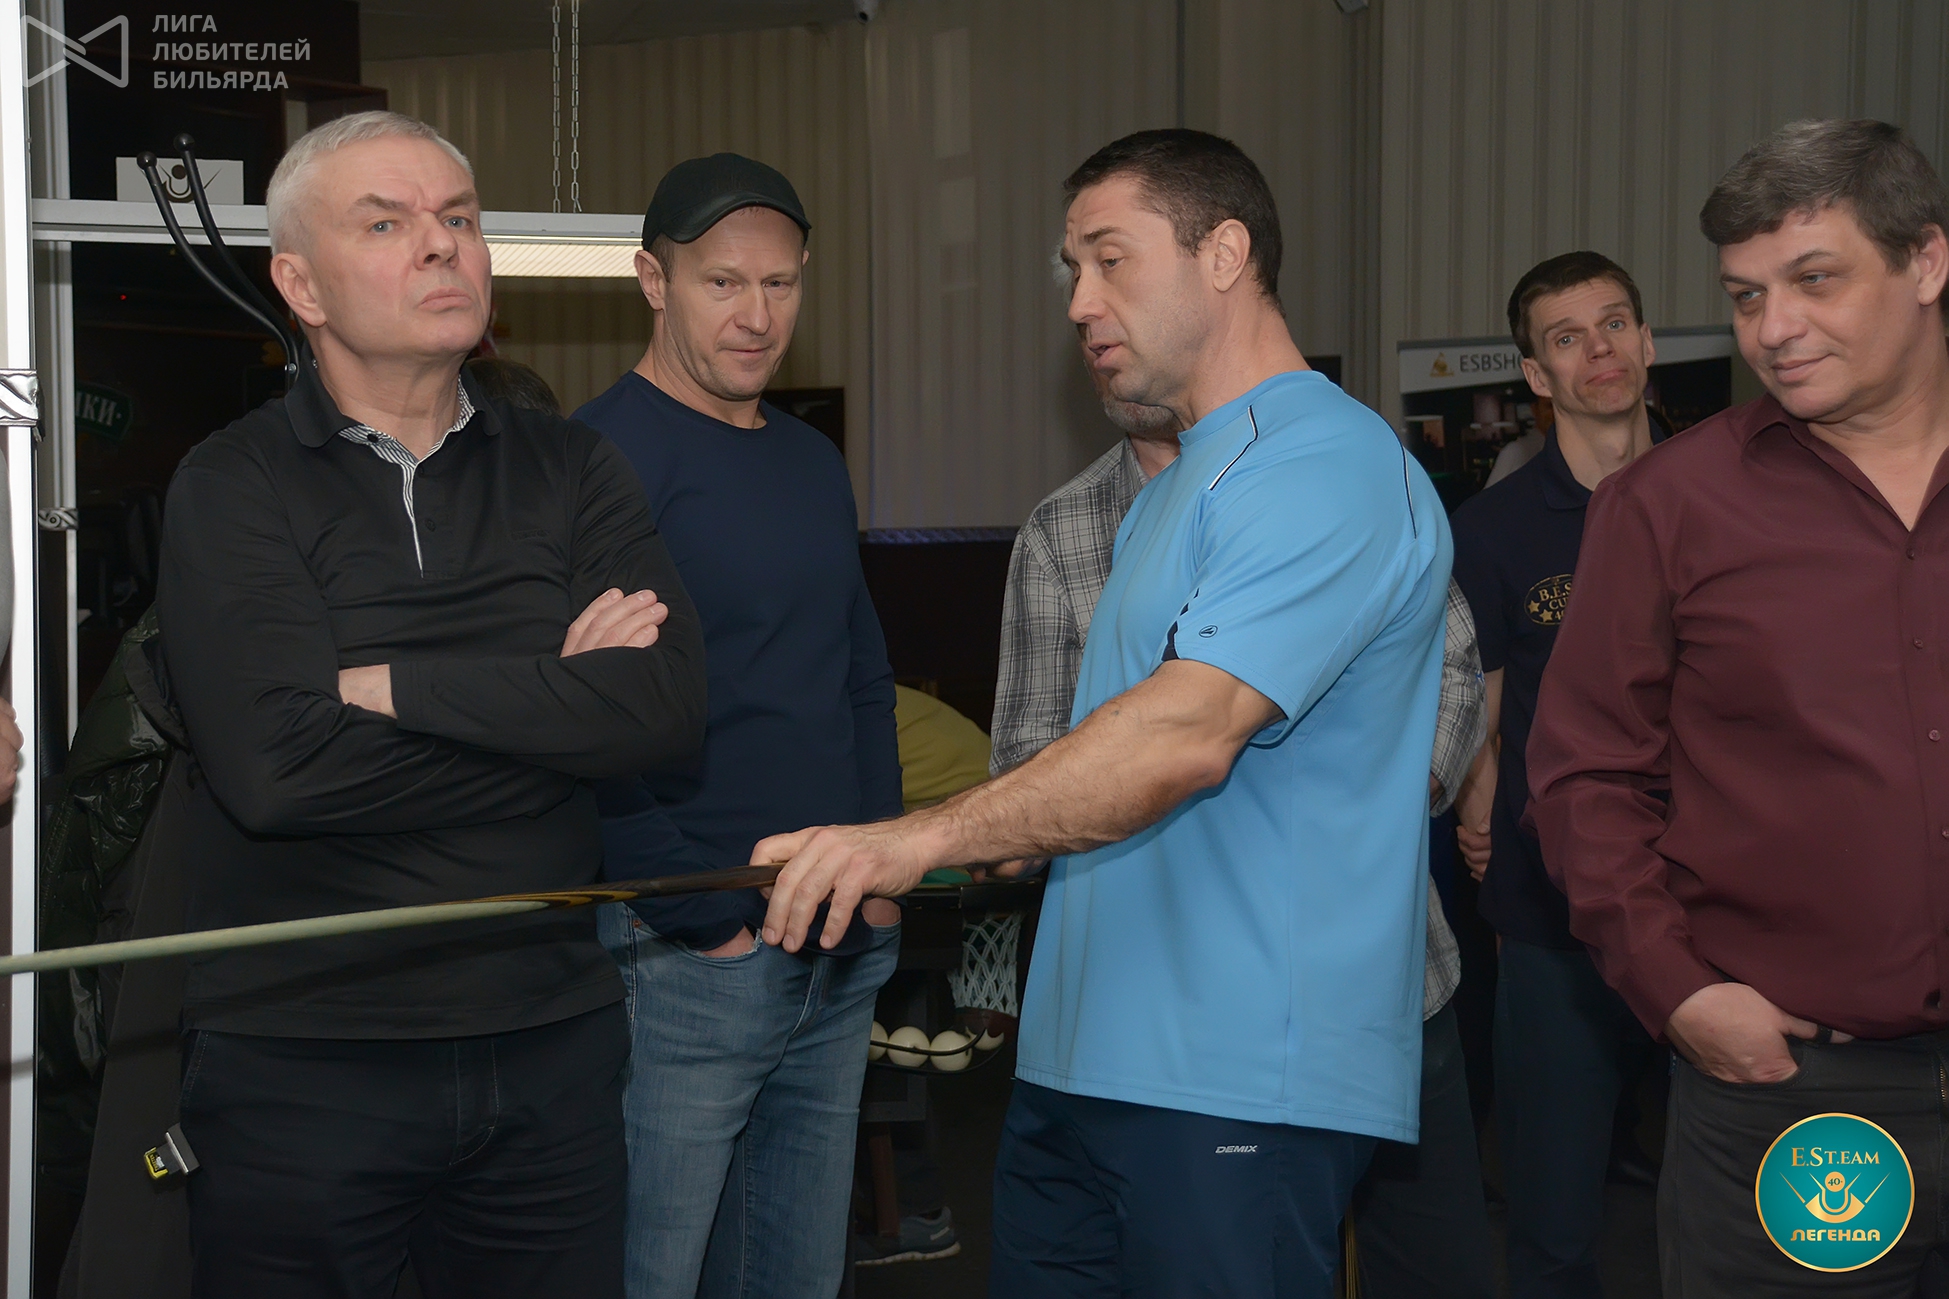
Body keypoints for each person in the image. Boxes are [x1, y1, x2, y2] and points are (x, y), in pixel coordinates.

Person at [756, 128, 1451, 1299]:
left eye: (1109, 260)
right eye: (1071, 269)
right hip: (1081, 1063)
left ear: (1222, 254)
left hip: (1236, 1075)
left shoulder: (1324, 462)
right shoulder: (1168, 491)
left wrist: (917, 834)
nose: (1079, 302)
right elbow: (1074, 765)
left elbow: (1183, 736)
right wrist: (954, 852)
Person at [153, 111, 707, 1298]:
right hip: (305, 1060)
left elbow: (660, 712)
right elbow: (277, 772)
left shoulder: (573, 465)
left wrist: (391, 690)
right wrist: (559, 716)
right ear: (301, 285)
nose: (441, 243)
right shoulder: (231, 482)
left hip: (550, 1045)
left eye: (459, 217)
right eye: (386, 223)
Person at [1528, 118, 1949, 1296]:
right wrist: (1677, 992)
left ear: (1923, 261)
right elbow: (1583, 775)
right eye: (1744, 296)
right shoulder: (1669, 506)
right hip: (1799, 1099)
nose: (1772, 328)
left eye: (1812, 280)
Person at [994, 356, 1494, 1297]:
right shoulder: (1067, 528)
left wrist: (1358, 805)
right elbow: (1026, 752)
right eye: (1087, 299)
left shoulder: (1335, 474)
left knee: (1429, 1264)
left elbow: (1451, 668)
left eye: (1118, 286)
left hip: (1381, 976)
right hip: (1148, 1008)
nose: (1096, 321)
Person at [573, 153, 903, 1299]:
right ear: (652, 282)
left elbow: (859, 674)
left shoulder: (811, 460)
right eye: (721, 283)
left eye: (780, 283)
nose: (756, 316)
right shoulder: (596, 460)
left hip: (836, 937)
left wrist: (881, 869)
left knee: (795, 1278)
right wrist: (699, 918)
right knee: (650, 1276)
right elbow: (583, 720)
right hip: (687, 958)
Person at [1448, 250, 1669, 1297]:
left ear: (1647, 341)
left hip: (1717, 905)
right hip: (1554, 913)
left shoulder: (1726, 499)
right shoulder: (1492, 532)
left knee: (1743, 1202)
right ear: (1535, 374)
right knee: (1552, 1215)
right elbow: (1477, 716)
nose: (1599, 350)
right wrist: (1482, 816)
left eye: (1614, 323)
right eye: (1567, 338)